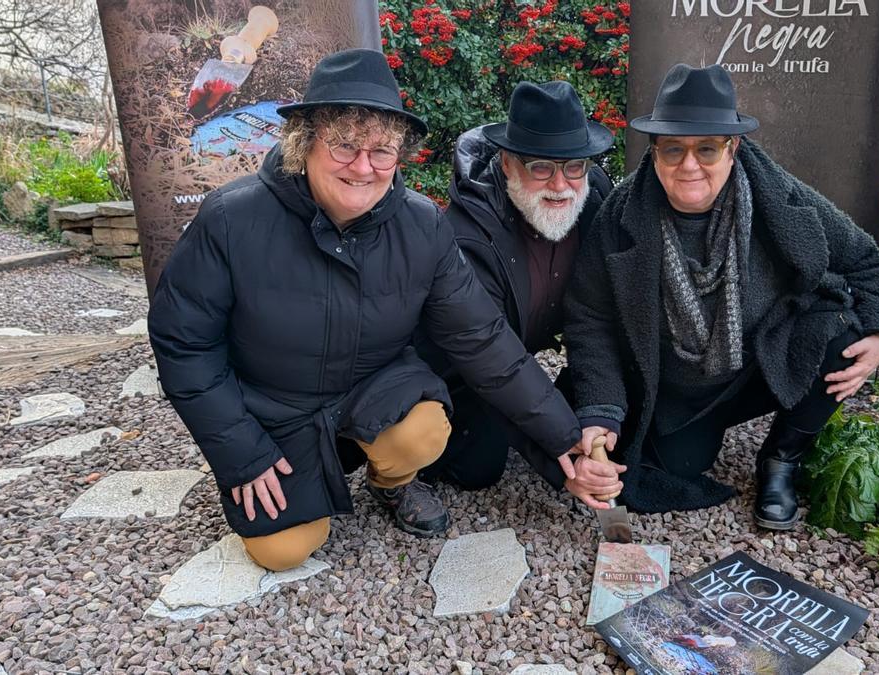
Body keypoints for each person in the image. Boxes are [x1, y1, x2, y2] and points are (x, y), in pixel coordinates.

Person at [148, 49, 582, 571]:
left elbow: (483, 339)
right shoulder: (230, 218)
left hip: (372, 386)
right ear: (303, 143)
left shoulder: (423, 225)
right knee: (282, 551)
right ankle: (296, 472)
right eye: (344, 145)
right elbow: (184, 343)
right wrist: (242, 453)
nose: (363, 167)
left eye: (382, 151)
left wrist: (566, 438)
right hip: (273, 406)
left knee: (424, 430)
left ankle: (391, 481)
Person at [563, 63, 879, 530]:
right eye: (673, 149)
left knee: (838, 332)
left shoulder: (778, 197)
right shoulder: (619, 217)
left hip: (757, 362)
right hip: (673, 385)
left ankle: (782, 459)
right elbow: (589, 317)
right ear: (655, 150)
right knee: (677, 467)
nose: (689, 165)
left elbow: (862, 258)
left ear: (733, 147)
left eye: (707, 148)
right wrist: (601, 410)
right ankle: (698, 429)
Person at [416, 81, 614, 503]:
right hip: (460, 367)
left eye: (574, 166)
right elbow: (489, 359)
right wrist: (563, 455)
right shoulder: (467, 235)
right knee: (478, 467)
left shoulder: (594, 199)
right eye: (541, 166)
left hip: (517, 354)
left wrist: (599, 410)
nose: (561, 185)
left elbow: (599, 315)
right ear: (508, 163)